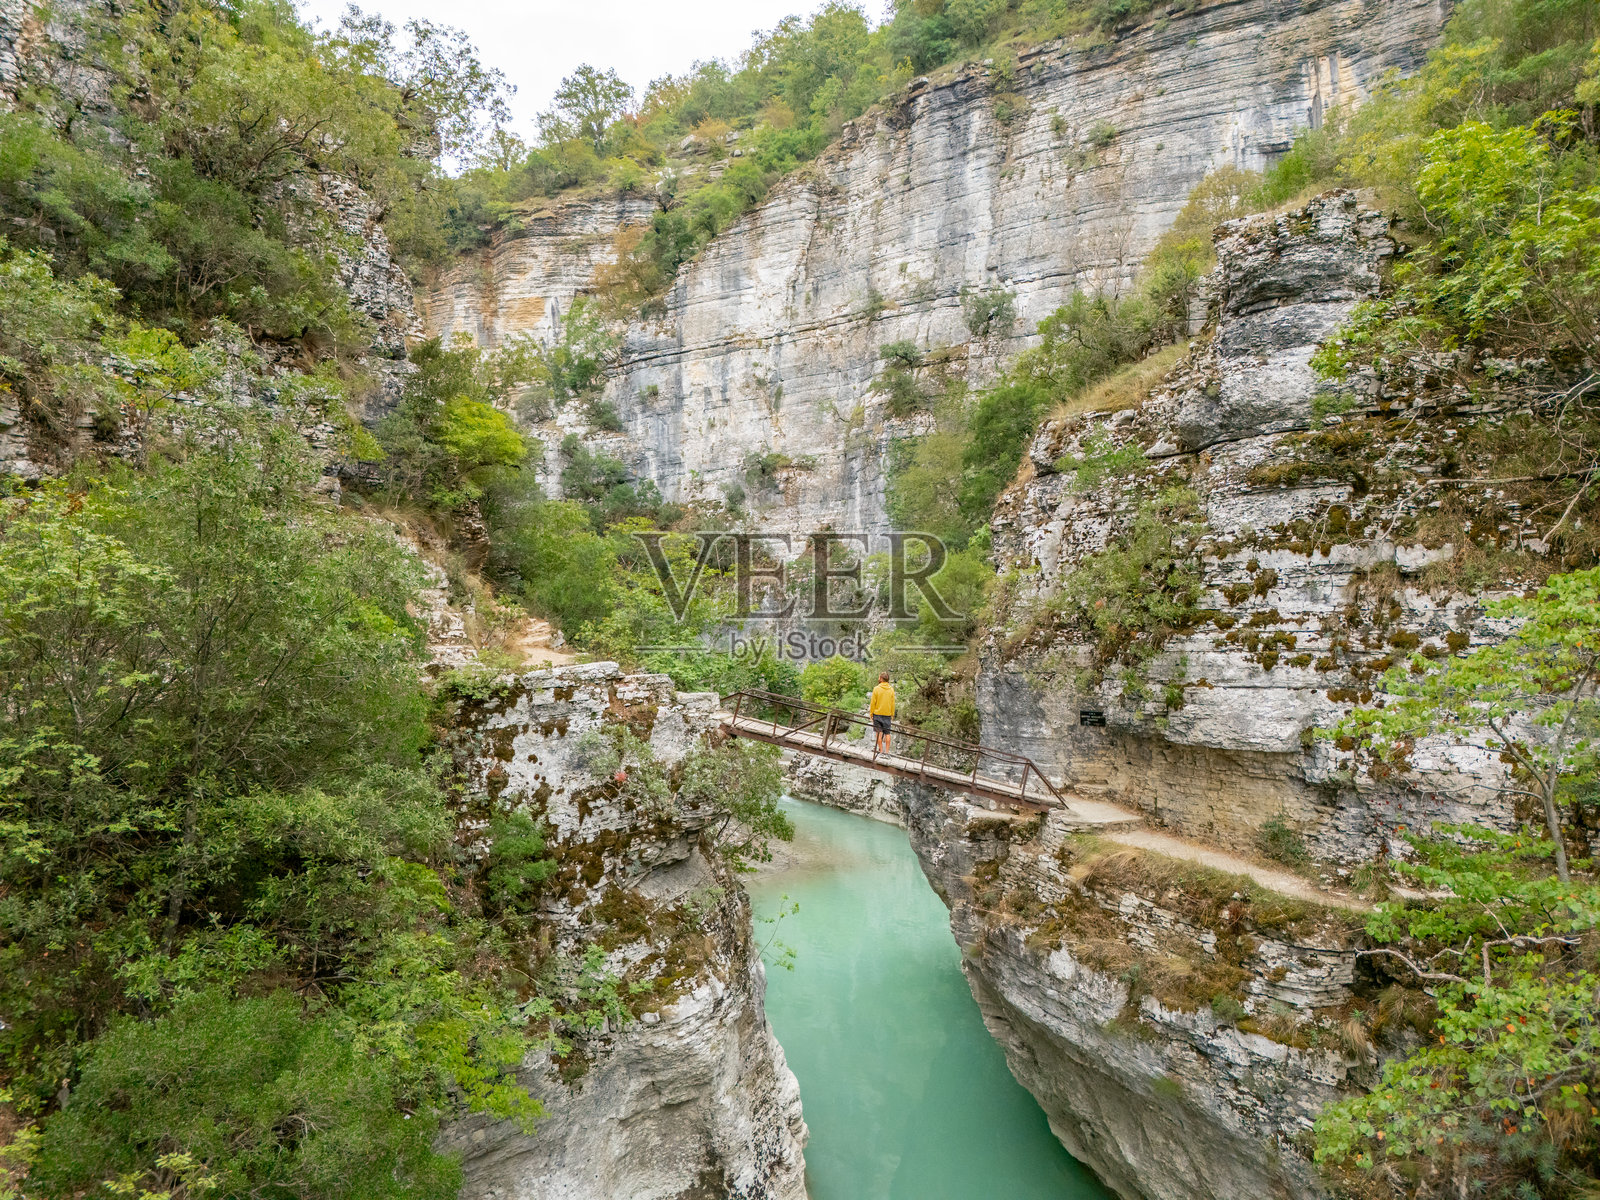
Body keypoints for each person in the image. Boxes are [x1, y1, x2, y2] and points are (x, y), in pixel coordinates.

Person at [869, 672, 895, 756]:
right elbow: (892, 703)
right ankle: (887, 752)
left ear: (881, 679)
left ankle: (881, 751)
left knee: (878, 733)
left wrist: (871, 713)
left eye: (879, 677)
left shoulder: (876, 688)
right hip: (887, 714)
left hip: (877, 714)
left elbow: (873, 702)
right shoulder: (891, 689)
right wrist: (892, 714)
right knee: (887, 733)